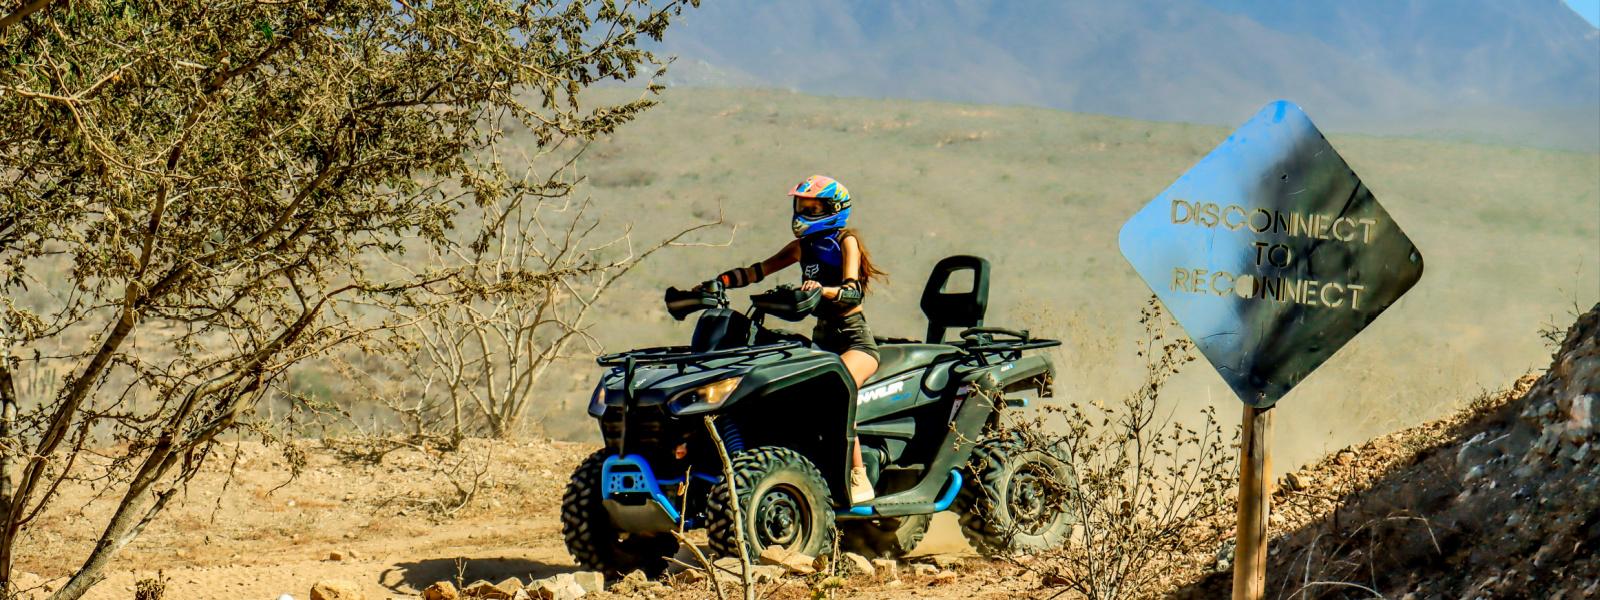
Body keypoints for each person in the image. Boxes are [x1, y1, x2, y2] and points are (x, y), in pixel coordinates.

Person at [697, 175, 889, 503]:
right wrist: (722, 281)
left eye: (813, 207)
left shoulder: (846, 242)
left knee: (839, 395)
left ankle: (858, 478)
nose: (805, 212)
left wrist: (821, 290)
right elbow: (759, 270)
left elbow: (852, 290)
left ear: (834, 209)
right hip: (822, 340)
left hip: (854, 340)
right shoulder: (803, 247)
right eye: (802, 206)